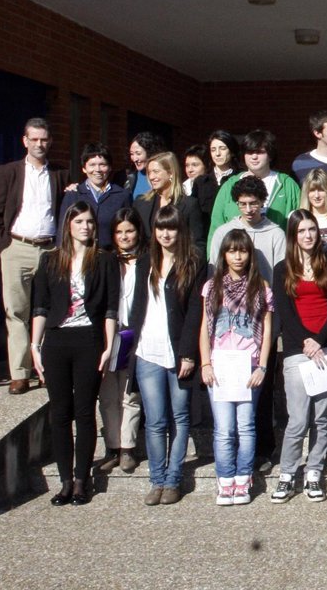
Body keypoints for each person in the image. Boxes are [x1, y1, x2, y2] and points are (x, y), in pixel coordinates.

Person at [30, 202, 118, 506]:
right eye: (79, 221)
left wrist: (108, 346)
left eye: (90, 221)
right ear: (68, 224)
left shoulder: (104, 260)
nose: (85, 227)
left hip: (89, 339)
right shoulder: (50, 260)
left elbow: (111, 307)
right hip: (56, 340)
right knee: (59, 412)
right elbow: (40, 306)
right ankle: (65, 481)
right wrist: (34, 346)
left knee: (84, 411)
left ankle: (82, 480)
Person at [0, 117, 69, 395]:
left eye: (43, 139)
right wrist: (4, 245)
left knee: (52, 310)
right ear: (25, 141)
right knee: (16, 312)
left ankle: (47, 370)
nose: (39, 144)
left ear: (50, 141)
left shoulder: (60, 174)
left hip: (51, 249)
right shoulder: (7, 172)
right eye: (34, 139)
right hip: (17, 247)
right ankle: (20, 373)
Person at [129, 204, 206, 506]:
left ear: (180, 230)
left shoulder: (193, 263)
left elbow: (195, 312)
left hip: (177, 351)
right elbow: (137, 306)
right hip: (147, 350)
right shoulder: (145, 262)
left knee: (180, 416)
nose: (165, 233)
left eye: (171, 227)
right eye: (160, 228)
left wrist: (188, 353)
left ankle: (173, 479)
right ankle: (157, 479)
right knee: (155, 420)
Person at [271, 209, 327, 503]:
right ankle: (287, 474)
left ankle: (314, 472)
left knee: (322, 418)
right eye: (301, 230)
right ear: (293, 235)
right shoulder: (282, 269)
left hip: (326, 348)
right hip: (297, 349)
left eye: (312, 229)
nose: (307, 235)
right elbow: (285, 312)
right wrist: (306, 341)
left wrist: (320, 340)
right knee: (298, 419)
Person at [199, 229, 274, 506]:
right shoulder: (212, 287)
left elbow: (267, 329)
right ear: (224, 255)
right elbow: (205, 327)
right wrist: (205, 363)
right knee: (223, 429)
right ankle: (225, 479)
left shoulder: (261, 287)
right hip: (220, 365)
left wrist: (262, 366)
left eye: (242, 251)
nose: (238, 256)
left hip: (248, 365)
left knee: (245, 426)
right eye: (232, 251)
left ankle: (243, 478)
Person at [97, 208, 146, 475]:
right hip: (108, 331)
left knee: (130, 394)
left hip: (135, 332)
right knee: (107, 395)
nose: (125, 236)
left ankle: (128, 448)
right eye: (119, 232)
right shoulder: (104, 260)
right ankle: (112, 447)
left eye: (129, 231)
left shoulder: (147, 260)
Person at [210, 129, 301, 235]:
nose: (254, 157)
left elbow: (300, 223)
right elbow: (216, 227)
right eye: (249, 152)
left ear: (270, 155)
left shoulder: (287, 185)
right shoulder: (229, 186)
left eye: (260, 152)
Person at [209, 175, 287, 281]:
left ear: (262, 202)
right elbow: (214, 270)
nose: (248, 210)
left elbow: (281, 275)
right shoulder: (223, 232)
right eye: (243, 204)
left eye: (253, 203)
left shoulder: (276, 234)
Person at [59, 143, 132, 250]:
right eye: (92, 165)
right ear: (84, 168)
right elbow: (62, 230)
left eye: (103, 164)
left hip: (111, 255)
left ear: (110, 168)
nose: (97, 169)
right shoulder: (73, 195)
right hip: (79, 254)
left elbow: (129, 227)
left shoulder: (122, 196)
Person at [133, 151, 207, 256]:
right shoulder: (140, 203)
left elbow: (197, 244)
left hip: (179, 262)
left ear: (171, 173)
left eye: (156, 171)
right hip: (147, 262)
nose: (151, 177)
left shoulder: (190, 205)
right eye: (149, 172)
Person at [183, 144, 219, 221]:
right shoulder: (182, 187)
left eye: (195, 165)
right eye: (187, 165)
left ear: (206, 165)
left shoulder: (213, 186)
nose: (190, 170)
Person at [124, 132, 166, 199]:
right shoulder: (130, 179)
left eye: (138, 153)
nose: (134, 159)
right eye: (132, 154)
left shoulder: (164, 177)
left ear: (150, 153)